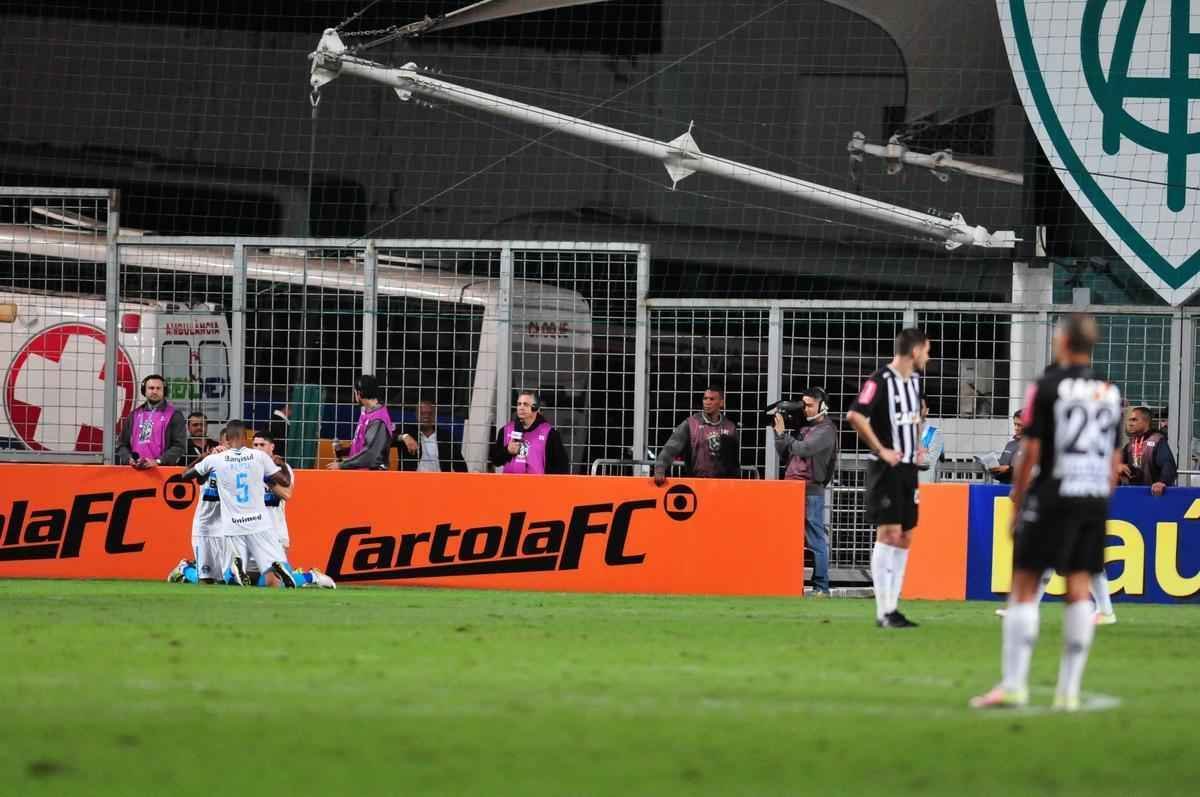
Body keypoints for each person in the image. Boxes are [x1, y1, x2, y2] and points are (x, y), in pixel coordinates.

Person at [971, 314, 1122, 711]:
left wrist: (1018, 502)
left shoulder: (1046, 386)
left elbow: (1031, 451)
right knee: (1078, 588)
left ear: (1063, 341)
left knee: (1024, 583)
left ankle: (1014, 685)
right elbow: (1114, 459)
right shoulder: (1109, 390)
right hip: (1091, 496)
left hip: (1053, 493)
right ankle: (1068, 692)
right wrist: (1099, 498)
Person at [846, 328, 931, 629]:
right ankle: (884, 610)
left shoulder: (917, 382)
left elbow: (916, 417)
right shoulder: (879, 380)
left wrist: (918, 444)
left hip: (909, 467)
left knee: (906, 535)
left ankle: (894, 608)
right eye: (927, 351)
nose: (928, 357)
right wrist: (881, 449)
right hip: (886, 468)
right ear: (915, 351)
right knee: (889, 532)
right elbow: (855, 415)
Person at [181, 420, 301, 587]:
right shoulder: (257, 458)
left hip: (231, 524)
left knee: (227, 576)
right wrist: (276, 468)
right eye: (256, 443)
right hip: (258, 522)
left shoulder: (217, 460)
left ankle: (233, 568)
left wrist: (203, 460)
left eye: (262, 444)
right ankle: (285, 570)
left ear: (228, 439)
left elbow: (186, 476)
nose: (258, 447)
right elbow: (285, 482)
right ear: (246, 438)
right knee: (270, 568)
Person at [773, 387, 838, 597]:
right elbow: (785, 452)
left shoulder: (826, 430)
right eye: (803, 405)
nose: (805, 409)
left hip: (810, 490)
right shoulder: (804, 428)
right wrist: (779, 434)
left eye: (809, 405)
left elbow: (804, 449)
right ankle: (788, 583)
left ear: (822, 406)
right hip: (791, 489)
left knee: (815, 539)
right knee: (789, 538)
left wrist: (784, 434)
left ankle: (821, 587)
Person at [653, 385, 740, 486]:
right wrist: (660, 468)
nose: (707, 402)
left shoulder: (730, 427)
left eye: (712, 399)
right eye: (705, 398)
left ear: (721, 403)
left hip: (722, 485)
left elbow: (734, 462)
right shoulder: (691, 424)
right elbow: (670, 448)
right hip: (696, 483)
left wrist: (736, 483)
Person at [489, 390, 570, 474]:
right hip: (510, 485)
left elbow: (562, 466)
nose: (521, 407)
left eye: (525, 404)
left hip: (537, 486)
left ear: (535, 408)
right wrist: (507, 451)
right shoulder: (506, 430)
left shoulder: (549, 433)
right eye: (519, 404)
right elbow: (495, 460)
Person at [115, 374, 187, 467]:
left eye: (158, 388)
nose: (155, 391)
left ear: (164, 391)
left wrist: (158, 461)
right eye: (151, 388)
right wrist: (129, 459)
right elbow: (121, 444)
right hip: (134, 470)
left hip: (162, 471)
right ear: (144, 391)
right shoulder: (134, 414)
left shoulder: (174, 415)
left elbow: (179, 446)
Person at [328, 375, 394, 470]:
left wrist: (342, 465)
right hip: (360, 474)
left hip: (371, 478)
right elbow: (363, 446)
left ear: (359, 394)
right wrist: (343, 451)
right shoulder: (366, 412)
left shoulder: (378, 419)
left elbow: (371, 454)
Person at [396, 399, 467, 473]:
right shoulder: (407, 430)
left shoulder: (446, 436)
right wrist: (404, 437)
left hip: (439, 481)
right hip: (411, 481)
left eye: (430, 413)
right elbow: (389, 438)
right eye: (422, 413)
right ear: (416, 415)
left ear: (435, 415)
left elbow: (460, 464)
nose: (426, 416)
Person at [1120, 405, 1177, 496]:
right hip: (1133, 495)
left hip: (1154, 496)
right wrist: (1119, 466)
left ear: (1146, 422)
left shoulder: (1157, 440)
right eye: (1129, 420)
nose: (1130, 423)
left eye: (1134, 420)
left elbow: (1168, 464)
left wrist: (1162, 482)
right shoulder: (1131, 444)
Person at [990, 411, 1025, 484]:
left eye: (1019, 425)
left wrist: (1009, 469)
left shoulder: (1033, 446)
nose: (1016, 428)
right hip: (1003, 487)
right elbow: (1002, 466)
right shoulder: (1010, 445)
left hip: (1019, 489)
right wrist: (993, 468)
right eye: (1015, 424)